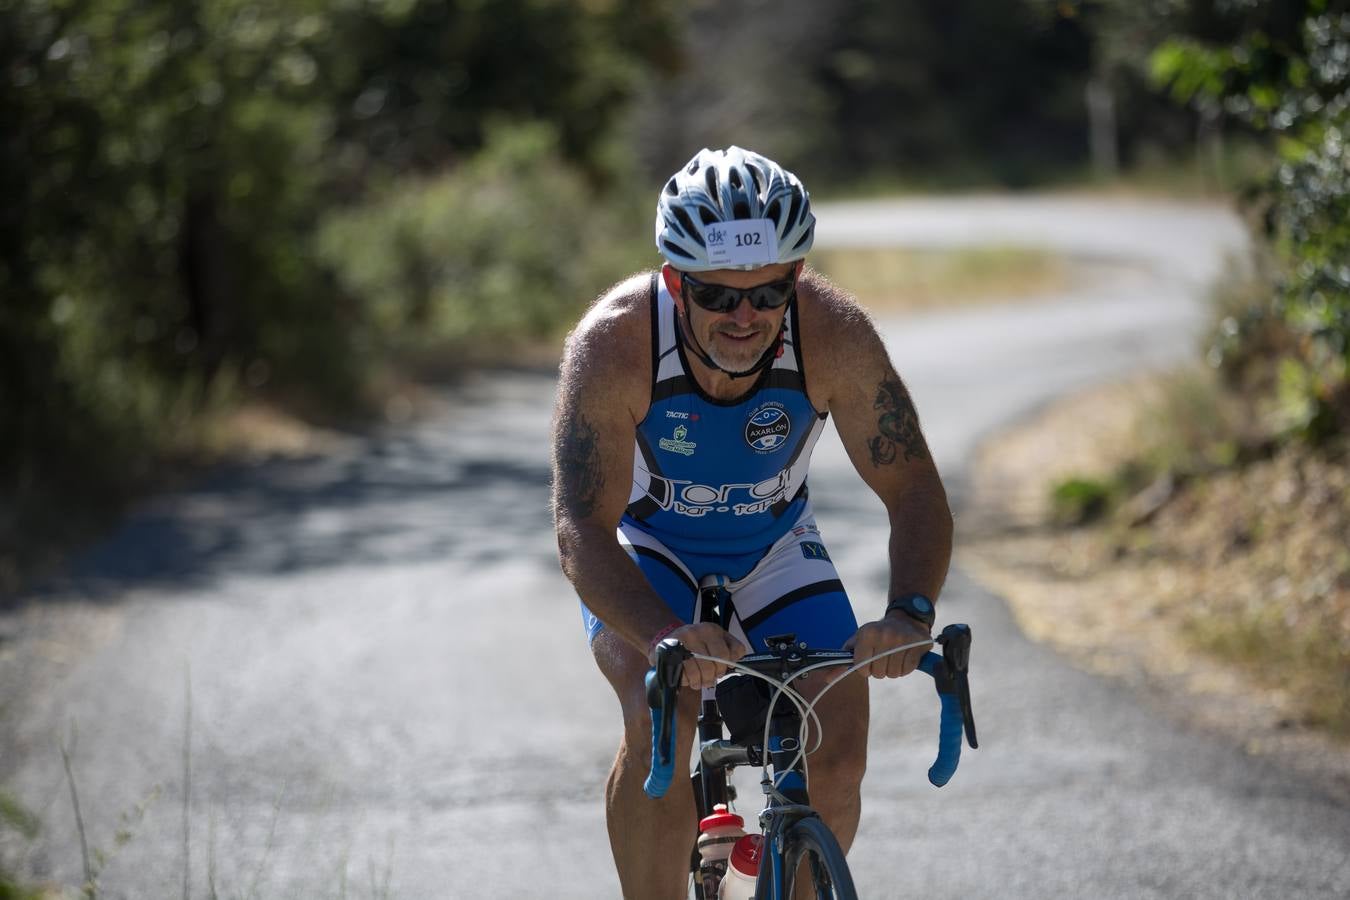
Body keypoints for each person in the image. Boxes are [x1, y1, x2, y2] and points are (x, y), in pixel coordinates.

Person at [550, 146, 953, 898]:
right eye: (716, 296)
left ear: (795, 277)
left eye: (769, 294)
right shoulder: (615, 344)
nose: (745, 317)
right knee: (659, 708)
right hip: (648, 550)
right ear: (675, 281)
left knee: (837, 739)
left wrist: (909, 611)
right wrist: (664, 634)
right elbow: (581, 527)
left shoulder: (835, 334)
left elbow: (915, 489)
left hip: (772, 548)